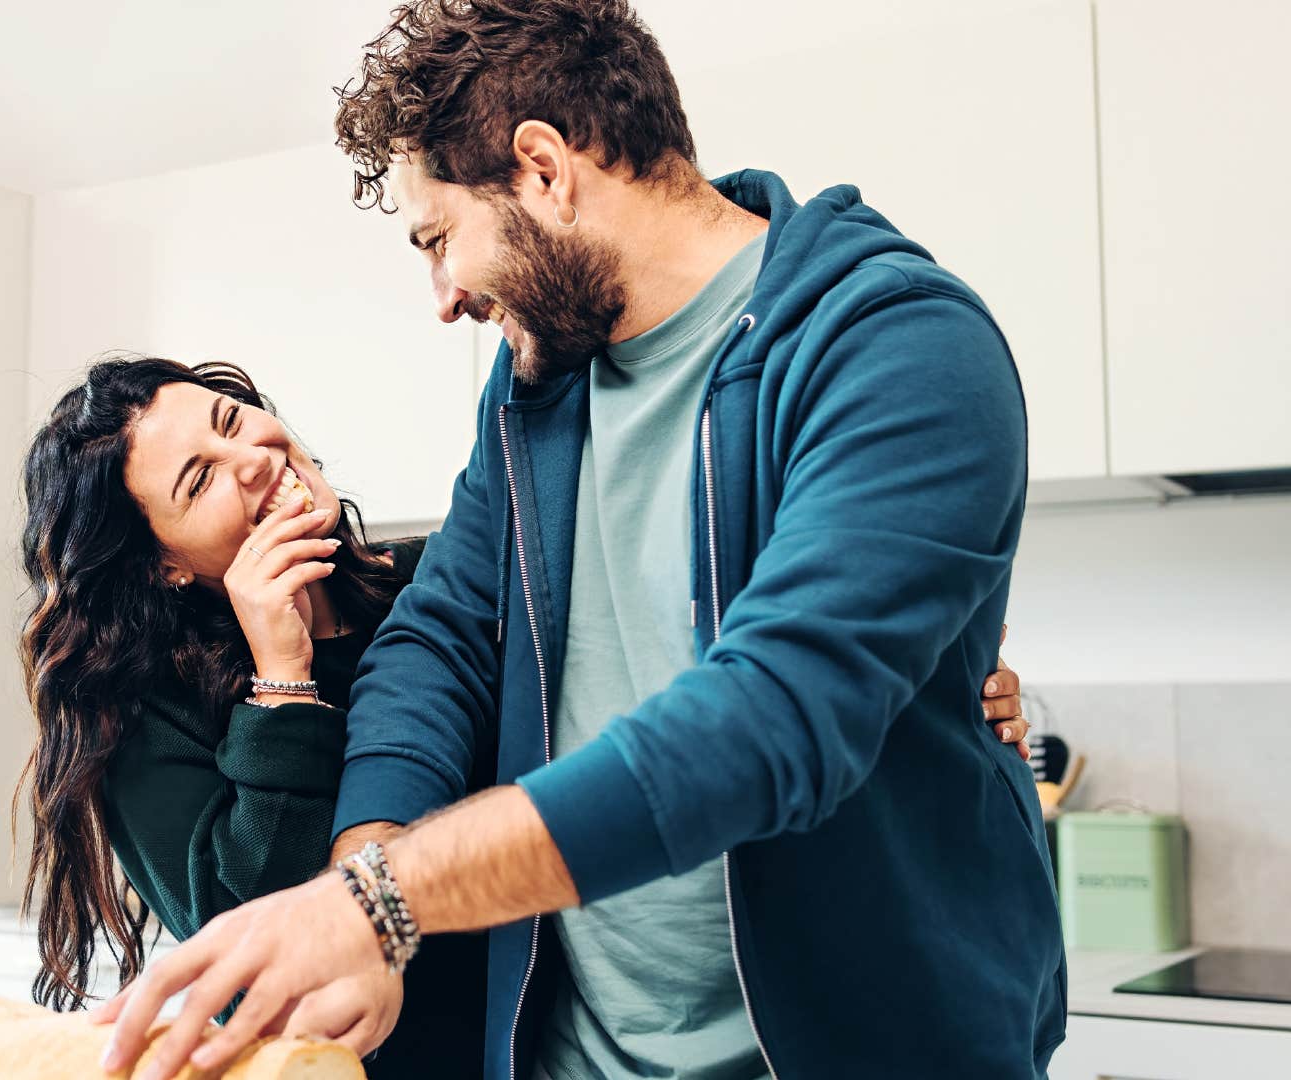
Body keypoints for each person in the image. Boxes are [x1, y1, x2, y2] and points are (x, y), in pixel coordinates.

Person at [94, 2, 1065, 1079]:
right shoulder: (536, 388)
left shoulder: (896, 347)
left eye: (438, 238)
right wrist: (362, 882)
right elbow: (442, 640)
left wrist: (383, 903)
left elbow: (772, 720)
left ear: (545, 172)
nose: (445, 296)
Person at [16, 355, 1034, 1077]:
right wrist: (283, 673)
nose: (254, 459)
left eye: (235, 422)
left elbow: (657, 690)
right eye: (200, 479)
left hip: (547, 1047)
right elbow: (263, 945)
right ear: (163, 562)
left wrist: (919, 689)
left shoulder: (435, 592)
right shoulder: (134, 719)